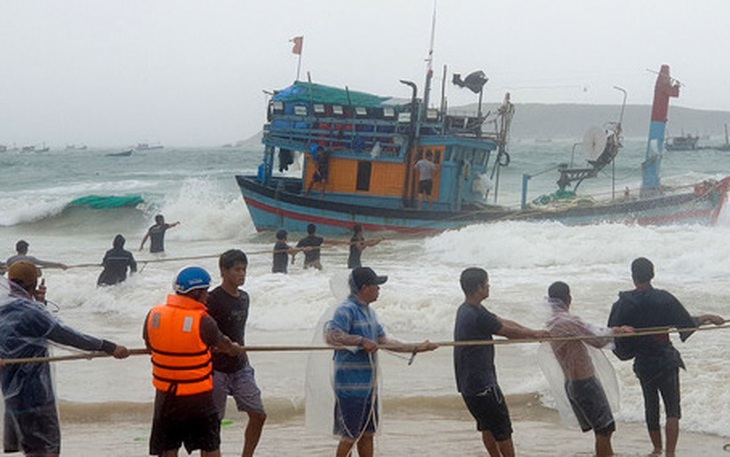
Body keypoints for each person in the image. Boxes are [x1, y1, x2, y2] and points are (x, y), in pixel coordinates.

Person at [0, 261, 130, 457]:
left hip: (10, 394)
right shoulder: (32, 312)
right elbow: (68, 336)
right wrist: (110, 347)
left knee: (30, 448)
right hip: (35, 393)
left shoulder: (5, 308)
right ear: (33, 283)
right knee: (47, 449)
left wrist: (39, 302)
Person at [607, 257, 724, 456]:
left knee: (650, 406)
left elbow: (611, 333)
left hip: (643, 361)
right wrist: (707, 317)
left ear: (633, 277)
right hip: (665, 359)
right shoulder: (664, 298)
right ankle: (670, 453)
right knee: (672, 409)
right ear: (652, 275)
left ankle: (656, 449)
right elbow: (686, 323)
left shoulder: (623, 303)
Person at [325, 267, 436, 457]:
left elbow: (384, 341)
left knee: (368, 434)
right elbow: (332, 335)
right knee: (350, 436)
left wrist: (416, 347)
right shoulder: (346, 309)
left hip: (368, 386)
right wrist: (360, 341)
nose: (379, 289)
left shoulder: (370, 313)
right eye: (376, 285)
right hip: (350, 385)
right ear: (364, 287)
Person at [143, 266, 244, 457]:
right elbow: (224, 346)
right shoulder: (203, 321)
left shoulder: (154, 315)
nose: (207, 296)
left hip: (166, 395)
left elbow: (150, 346)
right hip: (197, 396)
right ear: (196, 292)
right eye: (205, 291)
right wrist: (235, 349)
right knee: (210, 446)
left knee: (168, 448)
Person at [454, 267, 548, 457]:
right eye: (486, 284)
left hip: (467, 385)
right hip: (483, 385)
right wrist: (534, 334)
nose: (489, 287)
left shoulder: (468, 309)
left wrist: (533, 332)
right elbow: (507, 331)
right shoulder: (476, 315)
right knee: (502, 429)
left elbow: (502, 321)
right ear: (479, 287)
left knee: (487, 426)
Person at [545, 281, 634, 457]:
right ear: (569, 298)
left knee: (601, 429)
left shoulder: (552, 323)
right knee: (605, 429)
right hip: (584, 382)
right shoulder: (568, 321)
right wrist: (618, 331)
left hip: (571, 383)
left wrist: (613, 330)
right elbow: (597, 340)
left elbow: (592, 332)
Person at [206, 250, 266, 457]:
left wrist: (244, 359)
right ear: (223, 271)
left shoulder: (244, 298)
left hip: (240, 366)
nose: (242, 274)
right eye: (237, 270)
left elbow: (239, 333)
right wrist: (224, 346)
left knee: (258, 415)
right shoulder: (212, 299)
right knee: (213, 422)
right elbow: (206, 333)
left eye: (244, 269)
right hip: (216, 369)